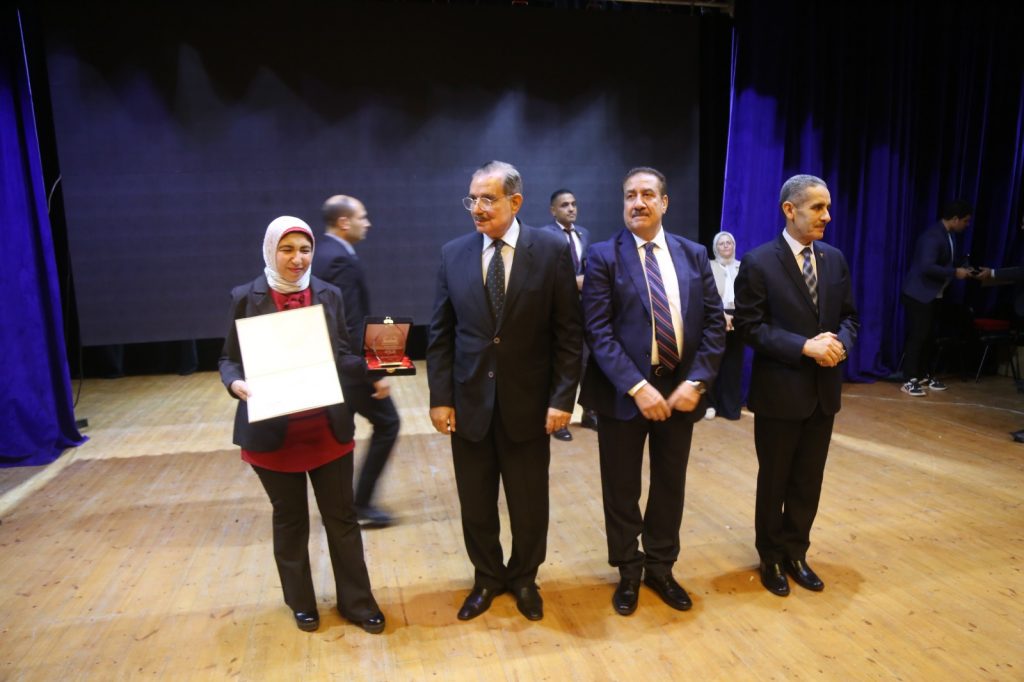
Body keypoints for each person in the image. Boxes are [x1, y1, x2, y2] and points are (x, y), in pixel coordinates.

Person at [426, 161, 582, 622]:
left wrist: (562, 399)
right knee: (476, 503)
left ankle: (525, 578)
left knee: (529, 503)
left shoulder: (551, 250)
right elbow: (441, 334)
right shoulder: (453, 254)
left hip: (529, 406)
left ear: (515, 201)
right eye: (472, 199)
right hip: (469, 404)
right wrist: (440, 398)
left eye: (487, 199)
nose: (477, 208)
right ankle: (487, 578)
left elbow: (568, 334)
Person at [219, 216, 385, 634]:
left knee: (342, 519)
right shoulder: (245, 296)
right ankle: (301, 603)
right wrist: (235, 383)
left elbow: (342, 354)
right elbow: (228, 359)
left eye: (305, 249)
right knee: (290, 521)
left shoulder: (328, 293)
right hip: (273, 437)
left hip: (327, 431)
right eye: (287, 249)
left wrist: (377, 364)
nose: (298, 258)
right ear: (270, 250)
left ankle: (358, 603)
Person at [579, 167, 725, 616]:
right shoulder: (603, 256)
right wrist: (637, 386)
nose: (637, 202)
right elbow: (598, 331)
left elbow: (714, 324)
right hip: (623, 393)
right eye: (629, 195)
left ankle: (661, 567)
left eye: (646, 194)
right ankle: (628, 570)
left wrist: (697, 381)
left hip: (680, 391)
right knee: (621, 488)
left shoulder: (693, 254)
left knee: (669, 485)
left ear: (664, 203)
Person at [733, 174, 859, 597]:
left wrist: (839, 344)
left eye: (828, 207)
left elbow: (850, 317)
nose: (827, 216)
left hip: (823, 393)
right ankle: (770, 557)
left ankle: (796, 552)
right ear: (790, 210)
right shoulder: (759, 262)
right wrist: (805, 346)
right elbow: (749, 327)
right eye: (818, 207)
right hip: (779, 393)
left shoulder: (834, 259)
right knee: (775, 479)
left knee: (808, 480)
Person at [312, 195, 400, 527]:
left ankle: (340, 507)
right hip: (348, 368)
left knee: (341, 434)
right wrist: (373, 372)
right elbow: (349, 323)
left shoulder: (321, 253)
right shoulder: (341, 260)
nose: (368, 223)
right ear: (344, 222)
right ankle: (360, 502)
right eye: (362, 217)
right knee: (388, 423)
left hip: (329, 366)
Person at [899, 200, 974, 396]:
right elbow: (927, 266)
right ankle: (909, 379)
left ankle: (923, 374)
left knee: (930, 337)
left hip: (934, 295)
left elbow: (948, 260)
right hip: (919, 294)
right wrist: (955, 272)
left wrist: (964, 267)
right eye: (965, 221)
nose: (967, 225)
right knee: (918, 336)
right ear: (955, 219)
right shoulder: (932, 236)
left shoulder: (949, 235)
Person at [541, 188, 598, 439]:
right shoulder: (545, 236)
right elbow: (543, 274)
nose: (571, 208)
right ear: (553, 210)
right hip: (557, 311)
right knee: (561, 364)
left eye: (574, 204)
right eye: (565, 205)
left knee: (587, 362)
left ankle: (589, 412)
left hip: (584, 309)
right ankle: (558, 419)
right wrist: (573, 282)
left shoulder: (584, 233)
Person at [707, 230, 744, 420]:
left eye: (728, 242)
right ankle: (710, 405)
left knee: (733, 365)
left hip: (738, 317)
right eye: (721, 243)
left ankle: (730, 407)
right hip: (715, 315)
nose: (725, 246)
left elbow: (747, 294)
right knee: (713, 362)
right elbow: (706, 294)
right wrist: (721, 315)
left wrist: (736, 316)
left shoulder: (742, 266)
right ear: (716, 248)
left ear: (734, 246)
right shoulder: (709, 266)